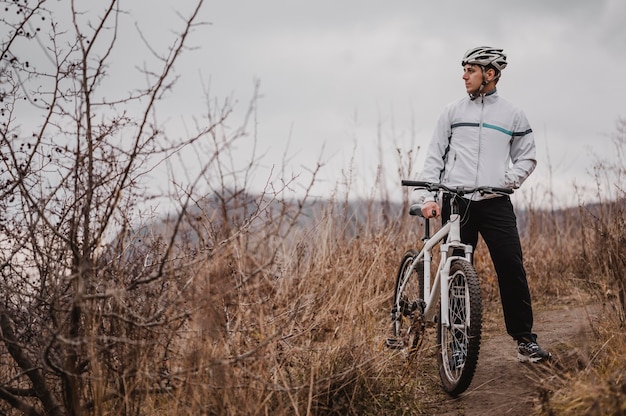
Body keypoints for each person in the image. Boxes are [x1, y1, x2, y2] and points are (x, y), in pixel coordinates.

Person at [414, 46, 551, 363]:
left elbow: (527, 156)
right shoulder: (452, 111)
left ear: (490, 74)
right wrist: (428, 197)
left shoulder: (512, 114)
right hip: (456, 200)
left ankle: (524, 341)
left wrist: (507, 180)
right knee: (456, 273)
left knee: (511, 267)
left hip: (495, 202)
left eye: (471, 69)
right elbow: (434, 156)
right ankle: (457, 346)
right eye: (463, 69)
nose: (463, 75)